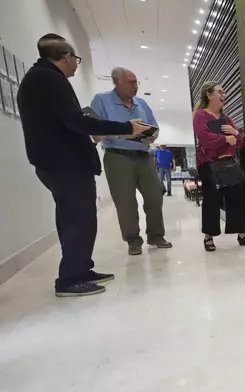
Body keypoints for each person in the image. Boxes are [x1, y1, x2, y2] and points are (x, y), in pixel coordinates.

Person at [16, 34, 150, 297]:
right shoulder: (49, 79)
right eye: (75, 59)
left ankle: (79, 269)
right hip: (64, 162)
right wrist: (126, 128)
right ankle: (69, 279)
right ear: (65, 57)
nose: (76, 65)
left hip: (60, 161)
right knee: (77, 218)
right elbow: (76, 121)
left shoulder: (41, 79)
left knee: (77, 217)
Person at [91, 67, 172, 256]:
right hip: (118, 155)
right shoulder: (101, 101)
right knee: (125, 201)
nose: (135, 86)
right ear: (116, 82)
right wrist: (123, 133)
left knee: (154, 195)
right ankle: (133, 240)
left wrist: (151, 136)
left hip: (144, 155)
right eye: (131, 82)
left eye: (136, 82)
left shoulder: (141, 103)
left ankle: (156, 235)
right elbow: (95, 131)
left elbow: (154, 127)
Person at [193, 81, 245, 251]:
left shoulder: (226, 118)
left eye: (224, 92)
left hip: (229, 163)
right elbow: (205, 138)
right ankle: (209, 237)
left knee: (236, 197)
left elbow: (240, 142)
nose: (224, 95)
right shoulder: (200, 115)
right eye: (220, 92)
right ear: (209, 94)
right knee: (212, 199)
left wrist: (236, 134)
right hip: (209, 164)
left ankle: (242, 234)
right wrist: (225, 139)